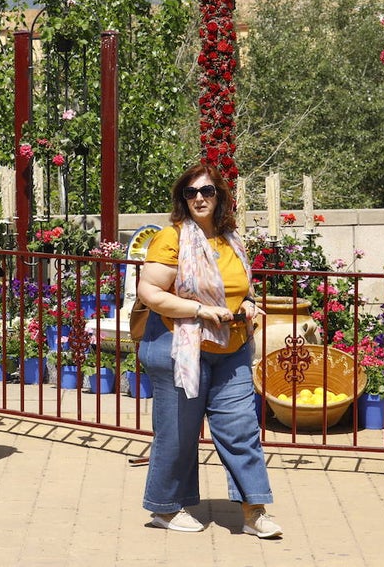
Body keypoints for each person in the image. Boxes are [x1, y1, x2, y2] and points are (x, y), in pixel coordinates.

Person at [135, 162, 281, 538]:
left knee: (241, 428)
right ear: (183, 199)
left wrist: (248, 302)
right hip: (178, 346)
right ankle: (165, 509)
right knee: (179, 434)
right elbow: (149, 293)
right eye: (191, 192)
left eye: (207, 191)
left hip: (230, 346)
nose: (200, 198)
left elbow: (238, 288)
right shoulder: (172, 238)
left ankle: (254, 511)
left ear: (220, 197)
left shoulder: (231, 238)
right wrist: (199, 310)